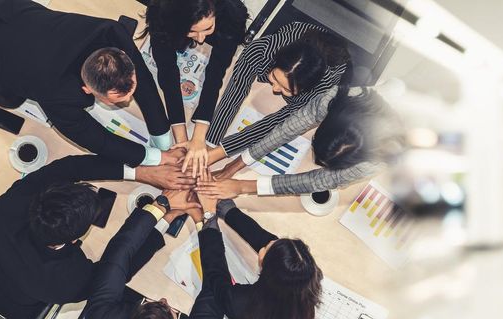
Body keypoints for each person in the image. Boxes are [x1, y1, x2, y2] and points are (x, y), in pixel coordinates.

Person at [0, 0, 181, 167]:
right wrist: (155, 158)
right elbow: (95, 139)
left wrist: (164, 139)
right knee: (1, 99)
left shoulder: (112, 33)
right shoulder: (55, 92)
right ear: (87, 89)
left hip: (6, 11)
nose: (130, 99)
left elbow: (146, 84)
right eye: (117, 99)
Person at [0, 155, 192, 319]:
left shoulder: (12, 204)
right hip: (11, 306)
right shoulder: (67, 281)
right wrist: (165, 216)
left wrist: (140, 172)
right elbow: (119, 267)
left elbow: (69, 166)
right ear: (77, 237)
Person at [174, 21, 351, 178]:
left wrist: (220, 152)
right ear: (274, 62)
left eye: (286, 89)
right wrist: (209, 141)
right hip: (299, 32)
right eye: (274, 79)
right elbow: (235, 92)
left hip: (336, 59)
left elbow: (274, 122)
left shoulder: (321, 88)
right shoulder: (261, 49)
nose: (275, 90)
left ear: (305, 89)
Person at [195, 87, 404, 198]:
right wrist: (237, 164)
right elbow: (288, 128)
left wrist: (243, 186)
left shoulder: (379, 159)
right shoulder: (339, 97)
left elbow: (318, 181)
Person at [81, 193, 221, 319]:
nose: (164, 299)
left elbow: (118, 253)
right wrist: (203, 223)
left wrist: (162, 205)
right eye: (173, 311)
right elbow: (217, 284)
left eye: (148, 302)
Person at [140, 0, 248, 149]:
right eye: (191, 31)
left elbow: (215, 76)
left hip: (225, 21)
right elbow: (168, 72)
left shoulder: (231, 17)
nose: (201, 39)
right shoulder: (161, 14)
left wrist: (198, 138)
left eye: (208, 28)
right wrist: (181, 139)